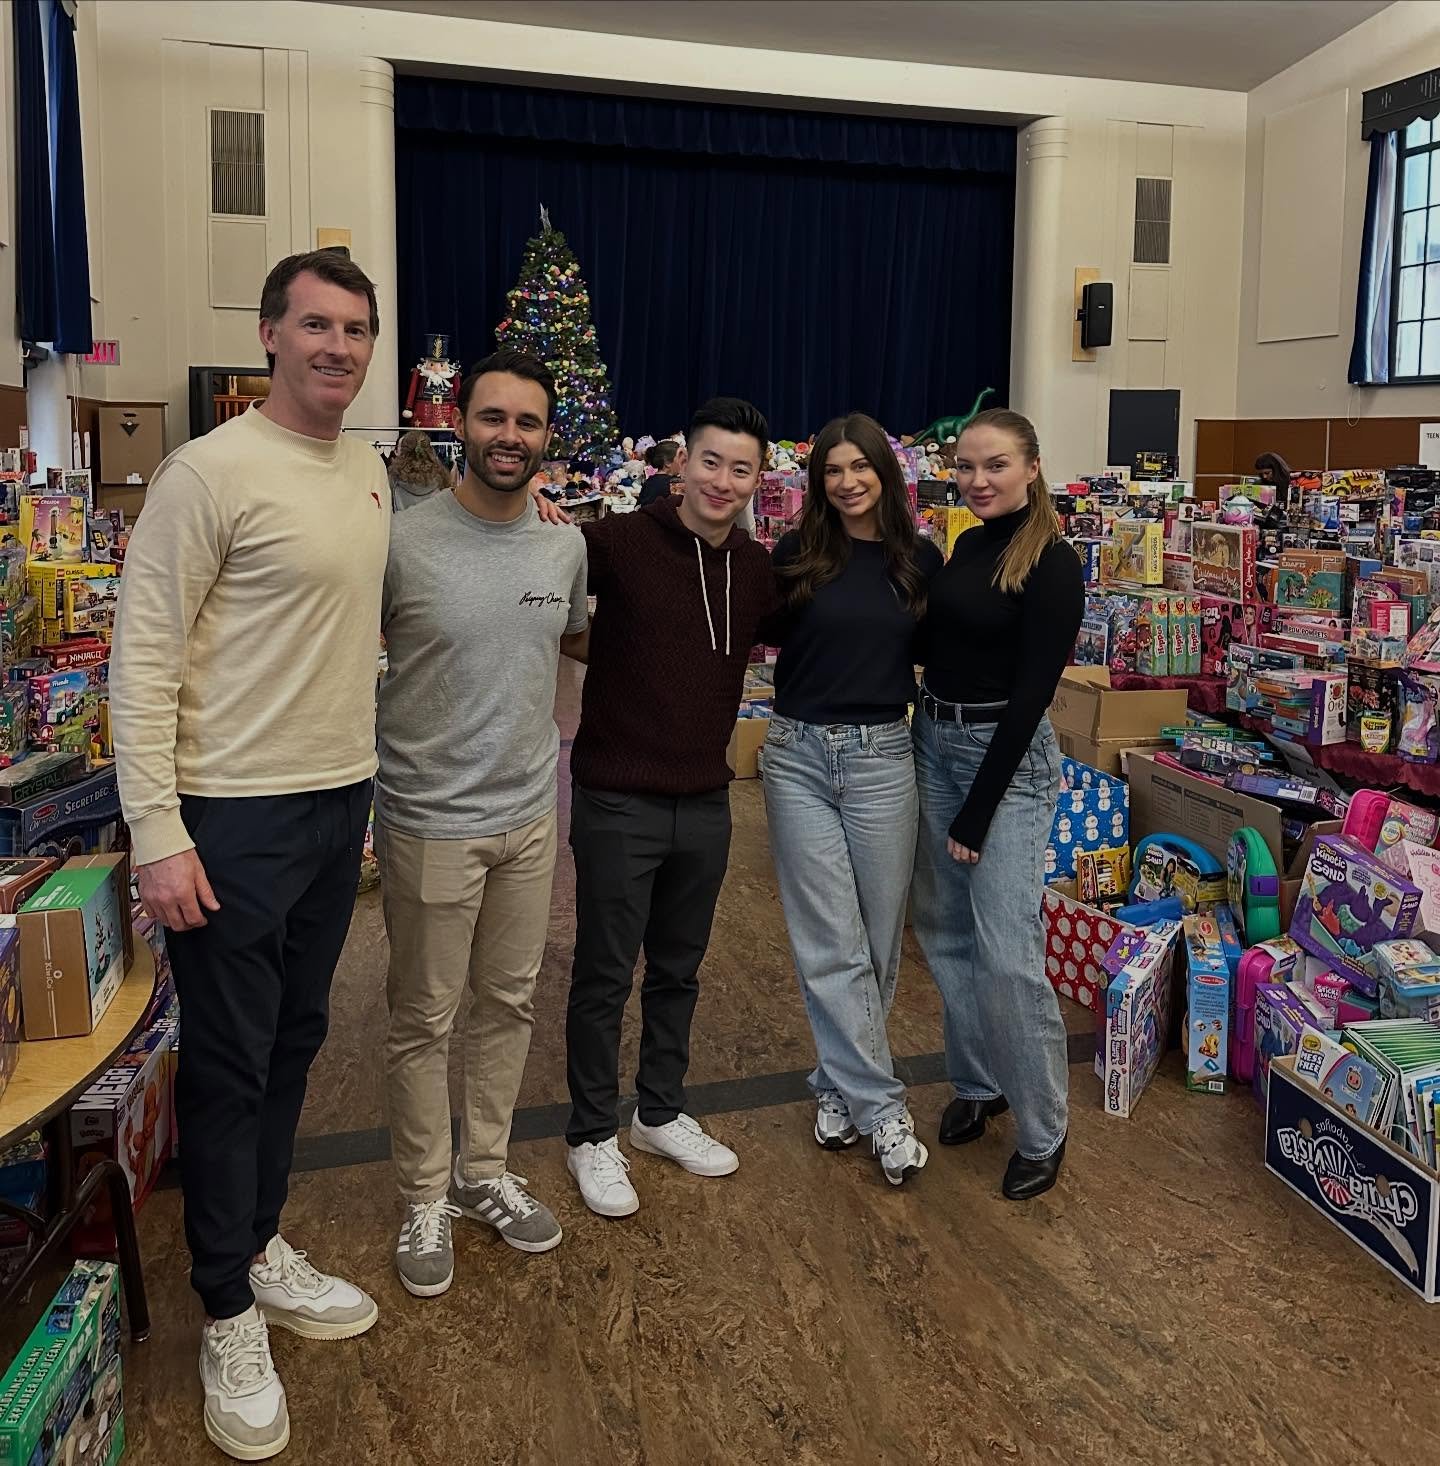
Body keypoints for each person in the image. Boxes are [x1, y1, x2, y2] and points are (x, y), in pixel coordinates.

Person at [110, 250, 390, 1461]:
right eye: (317, 325)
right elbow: (144, 651)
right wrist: (158, 829)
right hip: (230, 817)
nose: (339, 346)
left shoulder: (371, 466)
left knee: (295, 1041)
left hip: (336, 806)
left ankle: (258, 1239)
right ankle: (225, 1305)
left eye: (358, 329)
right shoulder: (206, 471)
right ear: (270, 334)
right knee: (229, 1060)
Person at [377, 348, 588, 1296]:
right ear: (460, 423)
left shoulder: (562, 544)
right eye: (494, 419)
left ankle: (483, 1174)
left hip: (528, 817)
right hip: (428, 818)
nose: (510, 437)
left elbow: (570, 642)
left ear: (548, 437)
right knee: (424, 1016)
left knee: (509, 1004)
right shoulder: (404, 540)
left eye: (528, 423)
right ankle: (423, 1194)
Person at [564, 397, 781, 1218]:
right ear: (680, 463)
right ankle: (591, 1133)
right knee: (603, 974)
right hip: (619, 797)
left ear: (759, 480)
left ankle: (658, 1111)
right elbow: (536, 573)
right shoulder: (618, 542)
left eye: (741, 468)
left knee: (679, 971)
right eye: (711, 462)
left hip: (706, 799)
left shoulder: (756, 569)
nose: (723, 481)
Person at [910, 407, 1082, 1202]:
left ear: (1033, 467)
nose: (978, 480)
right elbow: (938, 647)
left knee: (1008, 950)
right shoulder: (967, 543)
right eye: (966, 467)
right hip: (933, 740)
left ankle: (1044, 1127)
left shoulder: (1053, 562)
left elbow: (1029, 701)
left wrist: (976, 813)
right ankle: (980, 1083)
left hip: (1001, 765)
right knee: (946, 933)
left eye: (996, 465)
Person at [765, 413, 942, 1185]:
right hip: (797, 758)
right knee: (828, 941)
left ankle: (838, 1084)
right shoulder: (797, 553)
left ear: (885, 471)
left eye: (858, 467)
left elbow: (947, 656)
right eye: (831, 470)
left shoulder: (917, 561)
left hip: (882, 760)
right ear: (817, 481)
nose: (846, 482)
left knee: (875, 942)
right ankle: (883, 1111)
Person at [387, 428, 452, 512]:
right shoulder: (441, 475)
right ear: (429, 449)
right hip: (435, 523)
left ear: (403, 451)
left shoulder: (393, 478)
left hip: (403, 523)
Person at [637, 438, 681, 508]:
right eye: (681, 459)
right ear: (667, 462)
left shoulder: (649, 481)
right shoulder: (675, 484)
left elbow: (639, 506)